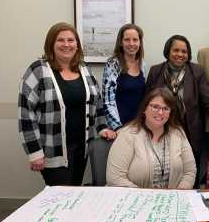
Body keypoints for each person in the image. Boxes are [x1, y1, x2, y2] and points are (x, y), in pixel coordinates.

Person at [18, 22, 116, 186]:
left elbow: (96, 103)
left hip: (81, 149)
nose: (66, 44)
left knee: (74, 193)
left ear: (77, 45)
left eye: (71, 40)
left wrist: (102, 128)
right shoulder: (38, 70)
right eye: (60, 40)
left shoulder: (83, 69)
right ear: (51, 44)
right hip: (53, 151)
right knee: (61, 198)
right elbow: (25, 114)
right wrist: (34, 152)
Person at [146, 35, 209, 186]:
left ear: (188, 54)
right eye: (176, 50)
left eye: (184, 51)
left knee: (190, 175)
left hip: (191, 133)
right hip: (162, 130)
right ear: (168, 51)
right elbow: (146, 101)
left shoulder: (196, 72)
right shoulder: (155, 71)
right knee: (163, 172)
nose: (180, 54)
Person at [106, 88, 197, 189]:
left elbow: (190, 172)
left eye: (165, 108)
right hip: (134, 200)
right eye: (155, 107)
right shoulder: (127, 135)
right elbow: (114, 178)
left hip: (173, 199)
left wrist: (179, 194)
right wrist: (145, 197)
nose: (160, 113)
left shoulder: (178, 133)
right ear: (144, 109)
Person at [102, 23, 147, 131]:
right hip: (118, 126)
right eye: (127, 40)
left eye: (135, 40)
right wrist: (118, 127)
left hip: (138, 125)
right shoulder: (112, 64)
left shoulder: (143, 65)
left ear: (140, 43)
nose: (131, 43)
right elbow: (108, 101)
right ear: (121, 43)